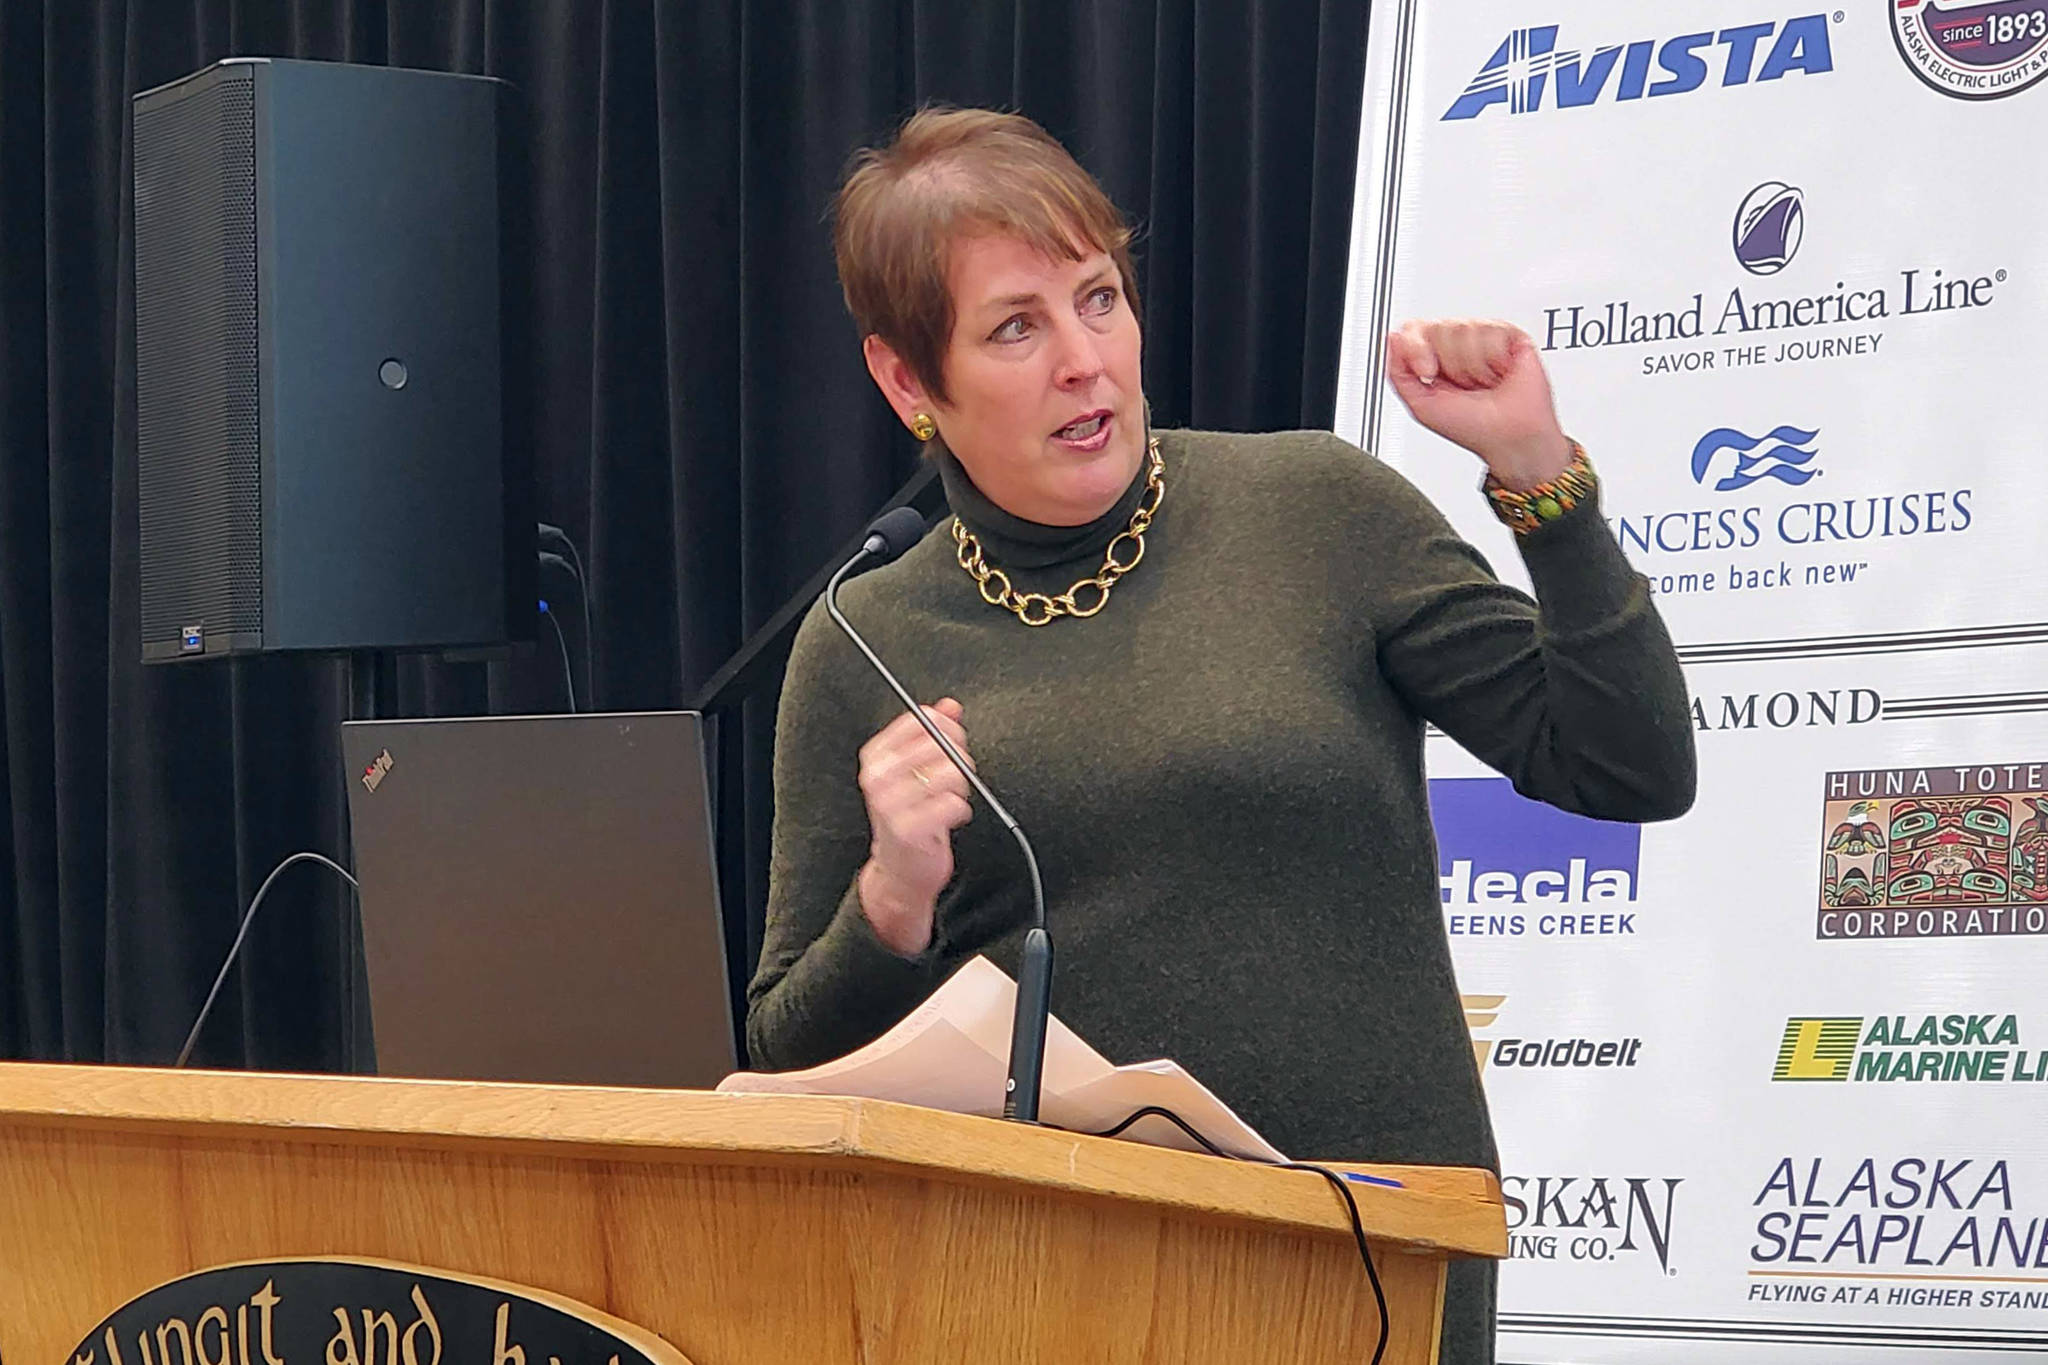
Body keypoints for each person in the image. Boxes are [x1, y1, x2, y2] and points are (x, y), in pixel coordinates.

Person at [746, 107, 1695, 1365]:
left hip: (1368, 1253)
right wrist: (893, 897)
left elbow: (1627, 764)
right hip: (1054, 1280)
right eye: (1014, 327)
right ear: (906, 381)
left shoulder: (1315, 508)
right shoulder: (864, 638)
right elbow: (784, 1052)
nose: (1084, 360)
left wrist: (1539, 476)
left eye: (1097, 298)